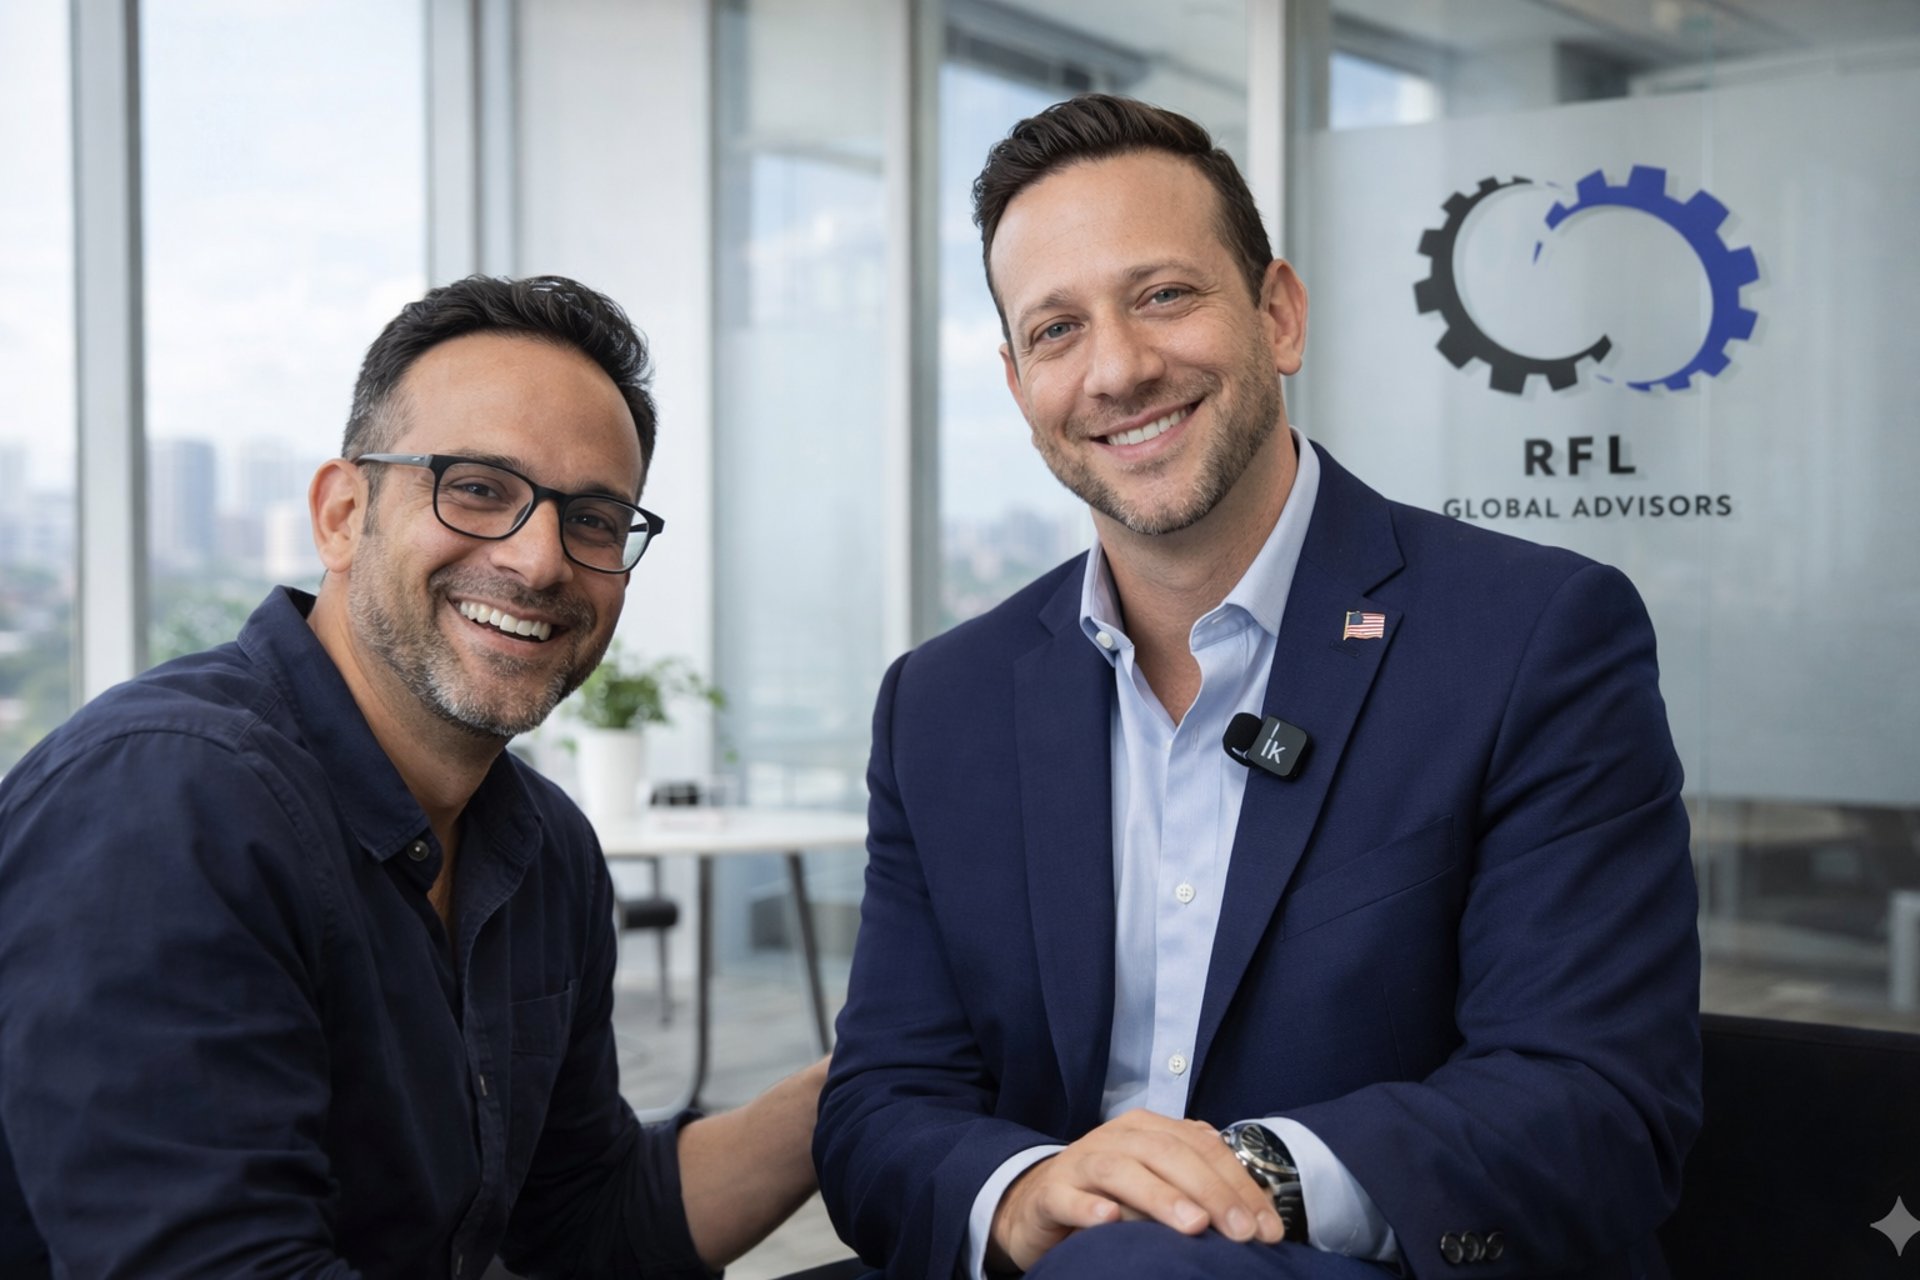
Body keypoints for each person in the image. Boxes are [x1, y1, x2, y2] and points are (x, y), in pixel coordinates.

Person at [815, 96, 1701, 1279]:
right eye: (1057, 329)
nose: (1119, 368)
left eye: (1164, 295)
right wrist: (1030, 1191)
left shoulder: (1534, 636)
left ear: (1278, 313)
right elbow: (881, 1105)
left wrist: (1249, 1176)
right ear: (1019, 380)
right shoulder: (943, 702)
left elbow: (1596, 1101)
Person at [0, 275, 824, 1279]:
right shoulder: (169, 797)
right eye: (477, 487)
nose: (538, 560)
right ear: (344, 513)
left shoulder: (544, 846)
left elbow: (586, 1219)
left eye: (596, 519)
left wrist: (873, 1081)